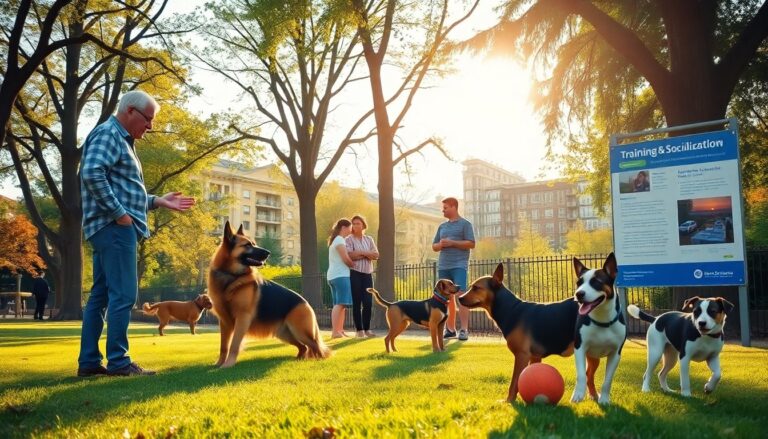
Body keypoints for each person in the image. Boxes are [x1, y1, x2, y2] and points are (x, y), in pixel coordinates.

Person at [78, 90, 195, 377]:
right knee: (123, 296)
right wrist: (120, 215)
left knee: (101, 296)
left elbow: (124, 190)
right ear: (130, 110)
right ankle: (119, 362)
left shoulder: (120, 140)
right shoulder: (110, 134)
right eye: (148, 119)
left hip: (107, 229)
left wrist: (156, 201)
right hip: (114, 230)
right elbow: (92, 173)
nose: (150, 126)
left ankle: (90, 363)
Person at [432, 197, 475, 341]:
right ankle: (450, 329)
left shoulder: (465, 224)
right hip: (444, 265)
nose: (443, 210)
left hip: (459, 265)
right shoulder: (442, 227)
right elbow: (434, 246)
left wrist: (452, 243)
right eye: (442, 208)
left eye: (445, 208)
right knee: (447, 298)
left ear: (454, 207)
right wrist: (442, 245)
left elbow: (471, 243)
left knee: (461, 296)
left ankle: (464, 330)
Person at [346, 215, 379, 338]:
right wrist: (366, 254)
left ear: (363, 225)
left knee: (368, 303)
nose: (355, 226)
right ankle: (359, 331)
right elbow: (350, 255)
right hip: (355, 273)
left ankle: (367, 329)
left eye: (358, 223)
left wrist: (361, 253)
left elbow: (376, 255)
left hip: (367, 275)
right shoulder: (349, 239)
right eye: (353, 223)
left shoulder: (369, 239)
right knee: (357, 302)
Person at [327, 218, 355, 338]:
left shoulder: (336, 240)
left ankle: (340, 330)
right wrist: (353, 265)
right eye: (350, 227)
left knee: (341, 305)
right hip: (340, 275)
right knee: (340, 304)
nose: (351, 230)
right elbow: (345, 258)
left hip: (334, 275)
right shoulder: (339, 240)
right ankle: (335, 332)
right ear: (344, 227)